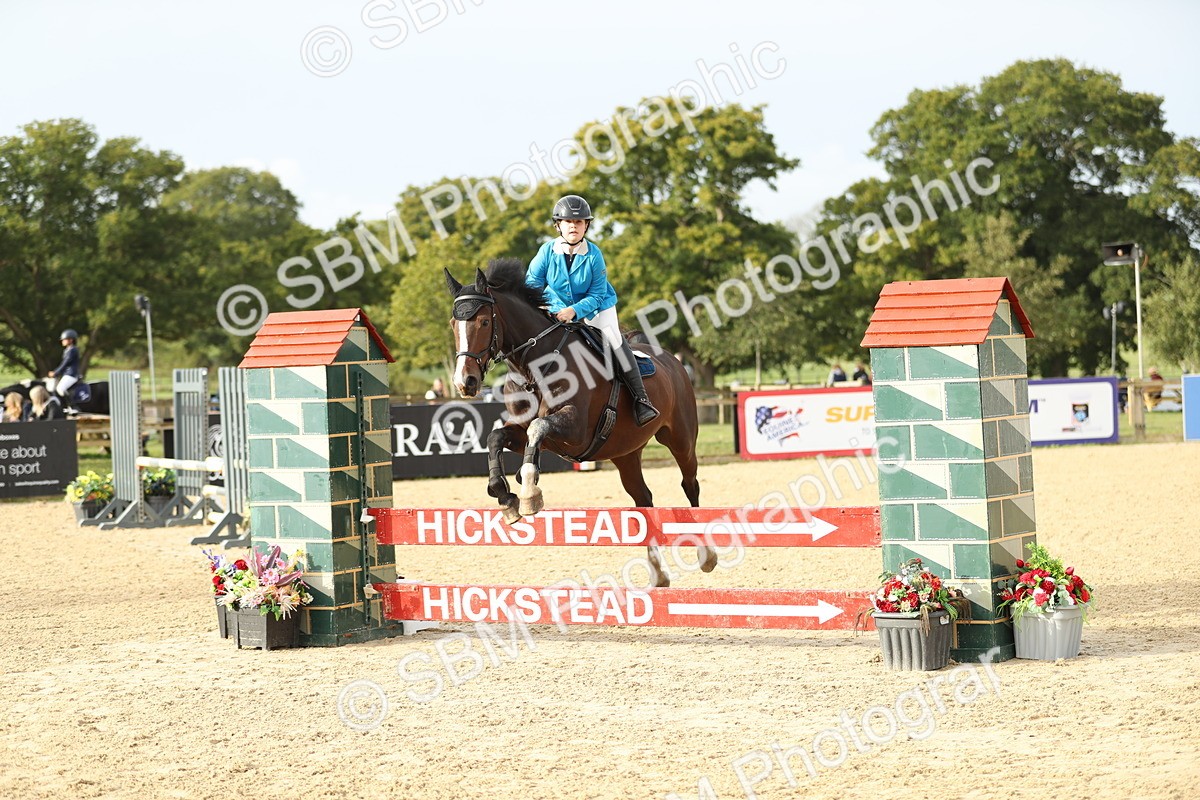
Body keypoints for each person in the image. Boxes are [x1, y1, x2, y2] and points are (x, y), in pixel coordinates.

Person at [525, 194, 658, 426]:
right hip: (557, 307)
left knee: (614, 338)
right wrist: (550, 308)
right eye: (568, 222)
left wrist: (573, 311)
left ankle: (641, 399)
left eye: (579, 222)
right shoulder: (546, 252)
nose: (573, 226)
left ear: (586, 225)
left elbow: (596, 295)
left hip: (597, 307)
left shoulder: (594, 255)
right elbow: (532, 285)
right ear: (559, 225)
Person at [48, 328, 83, 400]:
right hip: (67, 374)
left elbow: (65, 363)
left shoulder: (72, 350)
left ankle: (72, 406)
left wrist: (55, 372)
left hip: (71, 374)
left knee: (60, 389)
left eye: (64, 339)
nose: (62, 341)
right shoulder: (67, 350)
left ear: (71, 340)